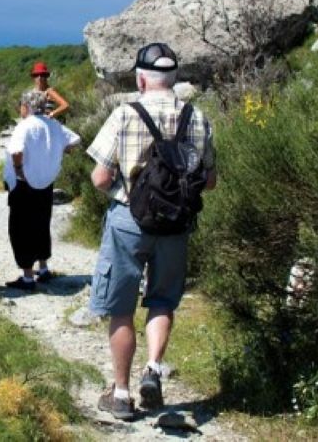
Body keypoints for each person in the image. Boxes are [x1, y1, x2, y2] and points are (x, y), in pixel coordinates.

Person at [85, 43, 217, 420]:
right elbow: (209, 181)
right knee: (162, 300)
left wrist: (124, 193)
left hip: (130, 220)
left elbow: (99, 177)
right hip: (176, 224)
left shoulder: (126, 114)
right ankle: (153, 368)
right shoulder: (197, 117)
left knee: (121, 308)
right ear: (173, 79)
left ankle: (122, 394)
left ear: (141, 79)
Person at [3, 89, 81, 291]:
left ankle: (28, 277)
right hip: (46, 182)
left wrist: (18, 169)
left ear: (26, 106)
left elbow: (16, 151)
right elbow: (75, 140)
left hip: (24, 182)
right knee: (41, 224)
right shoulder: (53, 124)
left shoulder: (25, 126)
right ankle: (43, 268)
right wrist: (57, 151)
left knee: (20, 229)